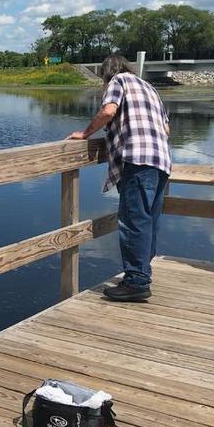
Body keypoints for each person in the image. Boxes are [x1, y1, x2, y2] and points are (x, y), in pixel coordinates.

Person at [66, 54, 171, 301]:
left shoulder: (119, 81)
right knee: (149, 220)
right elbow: (167, 129)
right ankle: (142, 273)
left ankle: (136, 281)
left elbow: (109, 111)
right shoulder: (150, 87)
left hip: (137, 159)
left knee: (134, 221)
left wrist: (85, 133)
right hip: (162, 160)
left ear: (107, 73)